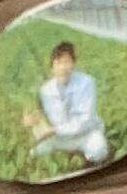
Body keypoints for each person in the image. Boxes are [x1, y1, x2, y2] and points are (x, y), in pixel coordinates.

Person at [34, 43, 108, 171]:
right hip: (60, 137)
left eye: (67, 62)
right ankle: (67, 155)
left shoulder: (87, 82)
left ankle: (84, 161)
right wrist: (36, 123)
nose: (63, 67)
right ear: (52, 68)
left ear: (73, 63)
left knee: (99, 151)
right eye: (58, 63)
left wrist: (54, 130)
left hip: (86, 133)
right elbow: (42, 116)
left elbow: (84, 121)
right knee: (36, 153)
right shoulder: (45, 90)